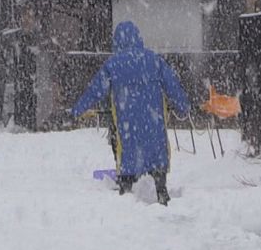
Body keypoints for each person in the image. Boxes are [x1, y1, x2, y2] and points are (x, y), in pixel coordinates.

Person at [71, 21, 190, 205]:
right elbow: (173, 86)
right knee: (157, 159)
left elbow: (95, 91)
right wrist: (184, 106)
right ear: (138, 38)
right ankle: (161, 191)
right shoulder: (154, 60)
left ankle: (126, 194)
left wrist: (77, 110)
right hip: (154, 127)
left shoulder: (113, 65)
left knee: (127, 158)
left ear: (117, 41)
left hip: (128, 130)